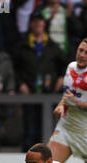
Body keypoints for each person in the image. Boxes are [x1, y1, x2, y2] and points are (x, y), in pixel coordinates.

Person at [12, 12, 66, 152]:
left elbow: (65, 64)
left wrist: (61, 78)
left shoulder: (52, 46)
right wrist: (20, 84)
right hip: (29, 93)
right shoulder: (22, 45)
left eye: (40, 22)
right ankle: (28, 161)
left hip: (48, 94)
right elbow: (15, 68)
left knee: (47, 129)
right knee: (30, 128)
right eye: (35, 22)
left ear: (44, 25)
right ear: (30, 25)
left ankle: (47, 162)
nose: (38, 25)